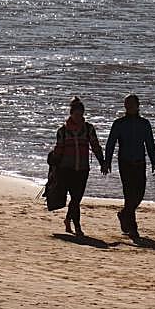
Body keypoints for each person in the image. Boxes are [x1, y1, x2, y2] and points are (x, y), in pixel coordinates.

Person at [103, 94, 155, 239]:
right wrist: (106, 161)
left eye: (132, 104)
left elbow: (150, 143)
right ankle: (133, 228)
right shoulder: (119, 124)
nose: (129, 107)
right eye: (127, 104)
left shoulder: (144, 124)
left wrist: (154, 161)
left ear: (137, 106)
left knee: (139, 194)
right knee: (129, 195)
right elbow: (110, 144)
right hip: (125, 163)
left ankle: (123, 214)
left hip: (140, 163)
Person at [50, 96, 106, 238]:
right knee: (74, 199)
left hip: (83, 169)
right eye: (76, 114)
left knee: (76, 198)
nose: (78, 116)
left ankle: (68, 219)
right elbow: (59, 149)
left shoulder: (88, 129)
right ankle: (77, 226)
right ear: (71, 113)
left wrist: (102, 162)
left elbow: (95, 146)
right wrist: (53, 165)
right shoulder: (62, 131)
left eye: (81, 114)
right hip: (66, 169)